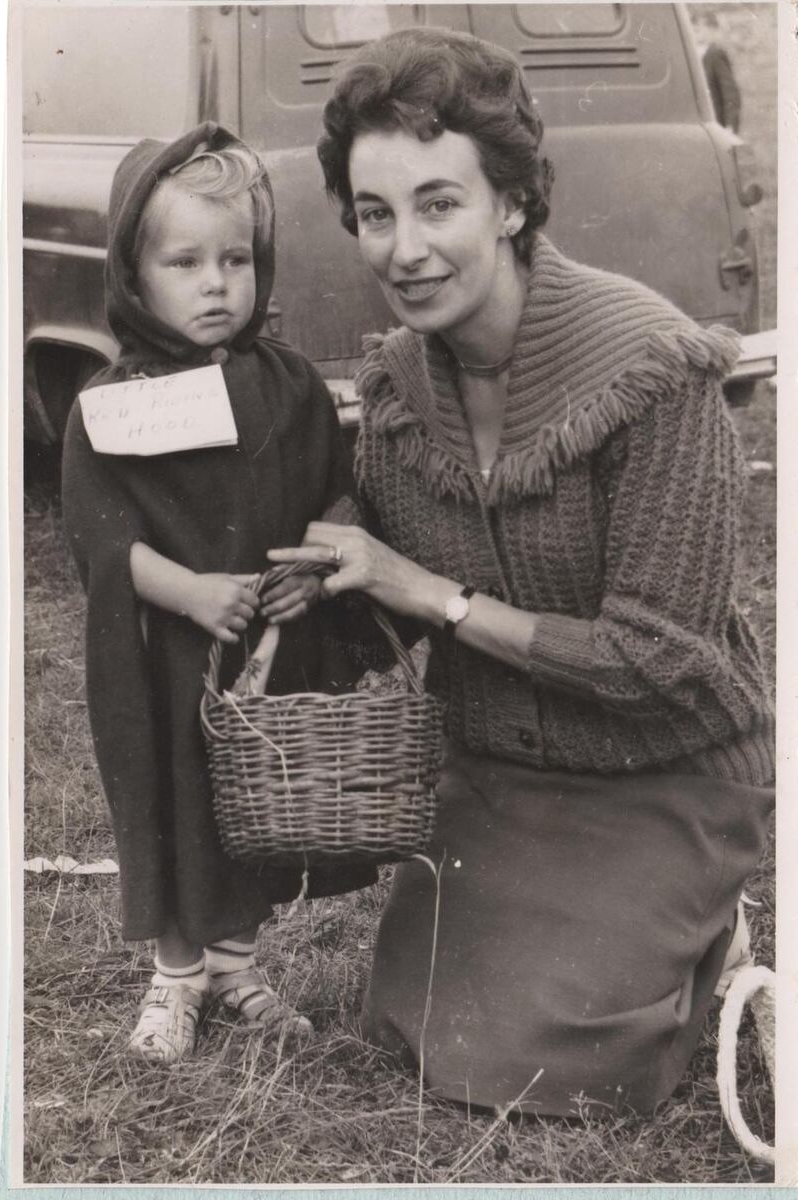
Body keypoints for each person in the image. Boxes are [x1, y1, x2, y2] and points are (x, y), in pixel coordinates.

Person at [269, 29, 775, 1116]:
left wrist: (430, 593)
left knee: (551, 1065)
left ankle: (704, 922)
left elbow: (659, 661)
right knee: (410, 1028)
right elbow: (387, 565)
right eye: (373, 213)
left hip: (662, 767)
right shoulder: (400, 386)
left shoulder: (652, 371)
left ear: (509, 202)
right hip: (501, 769)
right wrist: (330, 565)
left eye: (437, 204)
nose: (403, 248)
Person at [61, 122, 374, 1064]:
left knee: (252, 815)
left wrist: (310, 569)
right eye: (186, 261)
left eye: (236, 259)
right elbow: (104, 544)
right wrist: (191, 592)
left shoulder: (285, 386)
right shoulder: (113, 403)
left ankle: (236, 966)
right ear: (133, 274)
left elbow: (334, 490)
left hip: (269, 652)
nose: (216, 283)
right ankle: (175, 977)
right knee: (177, 800)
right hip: (172, 655)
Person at [692, 11, 742, 133]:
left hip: (716, 123)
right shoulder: (694, 56)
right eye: (692, 30)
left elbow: (730, 93)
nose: (693, 34)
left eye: (697, 30)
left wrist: (730, 125)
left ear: (711, 30)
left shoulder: (715, 55)